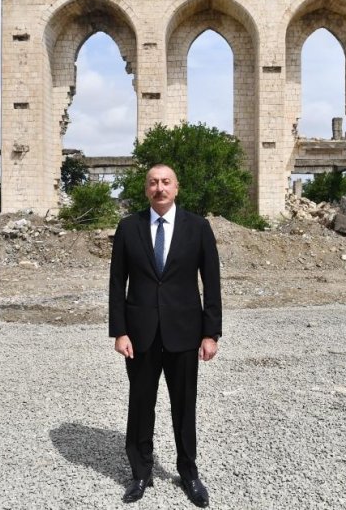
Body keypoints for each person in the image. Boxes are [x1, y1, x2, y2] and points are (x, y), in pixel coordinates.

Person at [109, 164, 222, 507]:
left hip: (185, 333)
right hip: (140, 334)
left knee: (184, 406)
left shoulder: (198, 228)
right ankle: (140, 473)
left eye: (165, 182)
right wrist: (119, 331)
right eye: (153, 183)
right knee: (141, 404)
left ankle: (189, 472)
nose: (159, 188)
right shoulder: (129, 227)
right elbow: (117, 283)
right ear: (146, 189)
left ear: (176, 188)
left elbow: (212, 283)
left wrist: (211, 333)